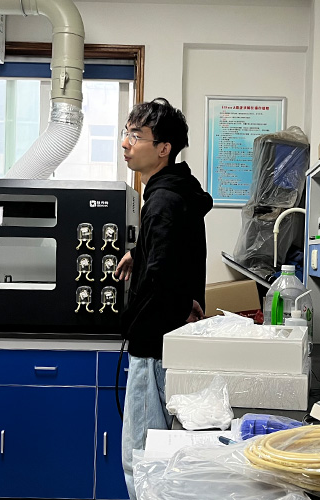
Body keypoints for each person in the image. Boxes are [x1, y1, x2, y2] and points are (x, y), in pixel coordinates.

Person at [115, 97, 212, 499]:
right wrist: (137, 254)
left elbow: (163, 275)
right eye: (126, 133)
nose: (126, 143)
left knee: (141, 458)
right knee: (162, 455)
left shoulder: (162, 201)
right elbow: (168, 253)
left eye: (136, 136)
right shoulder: (175, 191)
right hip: (169, 341)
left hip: (153, 345)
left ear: (163, 149)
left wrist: (137, 323)